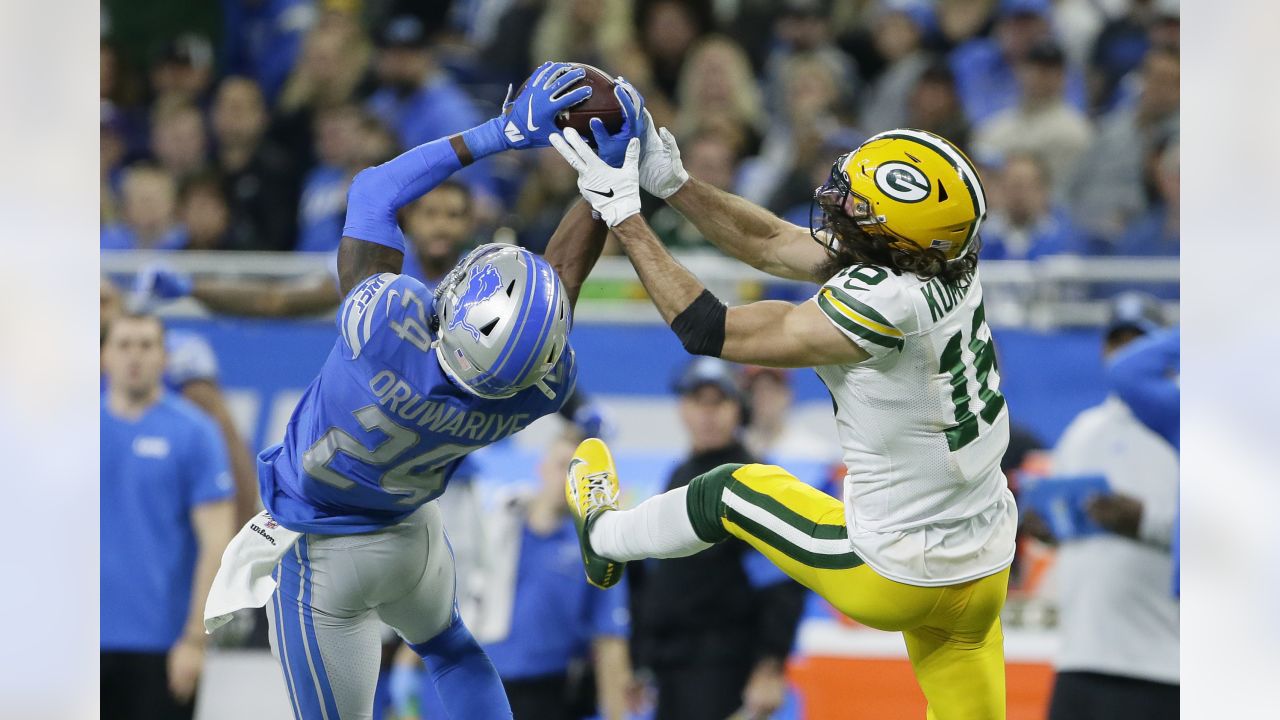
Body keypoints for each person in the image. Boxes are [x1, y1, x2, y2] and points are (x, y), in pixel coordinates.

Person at [201, 62, 642, 720]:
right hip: (412, 537)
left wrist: (501, 134)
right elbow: (557, 290)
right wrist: (606, 182)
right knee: (452, 649)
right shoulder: (535, 389)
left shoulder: (387, 320)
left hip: (321, 547)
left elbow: (375, 188)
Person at [552, 96, 1017, 717]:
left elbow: (709, 328)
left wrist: (627, 220)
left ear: (897, 243)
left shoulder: (883, 304)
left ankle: (603, 537)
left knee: (728, 490)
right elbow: (773, 242)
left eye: (861, 211)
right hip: (984, 566)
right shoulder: (944, 259)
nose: (838, 209)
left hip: (893, 573)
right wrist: (676, 186)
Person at [387, 424, 634, 720]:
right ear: (541, 467)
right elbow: (455, 596)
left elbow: (610, 641)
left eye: (579, 475)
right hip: (478, 683)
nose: (569, 482)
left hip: (546, 694)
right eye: (562, 467)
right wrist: (407, 658)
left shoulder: (596, 547)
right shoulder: (497, 527)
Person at [1028, 293, 1179, 720]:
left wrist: (1144, 521)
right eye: (1118, 341)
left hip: (1164, 661)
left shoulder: (1190, 425)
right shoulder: (1082, 430)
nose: (1126, 353)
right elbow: (1067, 523)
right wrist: (1049, 529)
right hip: (1081, 656)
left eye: (1140, 342)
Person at [628, 357, 805, 720]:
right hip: (670, 667)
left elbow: (781, 584)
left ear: (738, 409)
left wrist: (770, 667)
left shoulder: (750, 479)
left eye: (718, 402)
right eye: (697, 401)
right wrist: (639, 661)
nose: (707, 414)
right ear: (682, 408)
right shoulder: (680, 474)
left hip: (722, 668)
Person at [101, 313, 237, 719]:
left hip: (163, 646)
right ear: (103, 356)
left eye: (146, 345)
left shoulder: (195, 433)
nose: (135, 356)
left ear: (164, 357)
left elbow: (216, 542)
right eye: (124, 345)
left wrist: (196, 639)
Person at [971, 39, 1093, 200]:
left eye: (1050, 70)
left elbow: (1062, 195)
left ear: (1063, 77)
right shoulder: (995, 126)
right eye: (1035, 68)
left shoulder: (1075, 130)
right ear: (1020, 72)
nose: (1041, 76)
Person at [211, 76, 302, 251]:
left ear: (261, 116)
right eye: (223, 107)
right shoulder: (205, 169)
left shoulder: (279, 172)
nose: (230, 117)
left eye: (238, 109)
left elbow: (280, 239)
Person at [980, 152, 1086, 260]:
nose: (1020, 195)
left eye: (1027, 186)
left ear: (1044, 190)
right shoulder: (980, 236)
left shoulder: (1067, 238)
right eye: (1014, 186)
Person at [100, 164, 188, 250]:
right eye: (142, 201)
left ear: (171, 204)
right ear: (127, 205)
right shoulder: (109, 241)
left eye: (155, 201)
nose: (148, 208)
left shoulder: (188, 241)